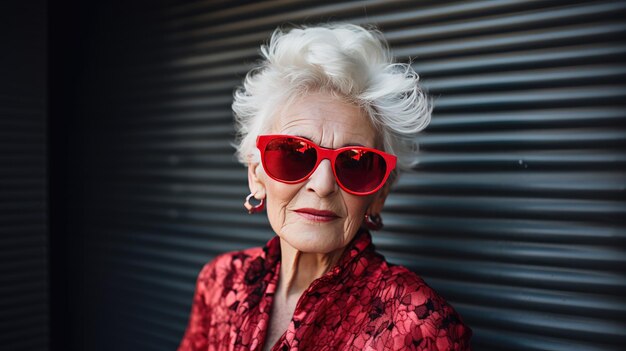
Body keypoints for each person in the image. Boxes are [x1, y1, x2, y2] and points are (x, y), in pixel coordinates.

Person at [178, 23, 472, 351]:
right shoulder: (219, 282)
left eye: (356, 163)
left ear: (379, 195)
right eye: (292, 153)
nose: (323, 185)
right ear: (256, 175)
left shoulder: (421, 326)